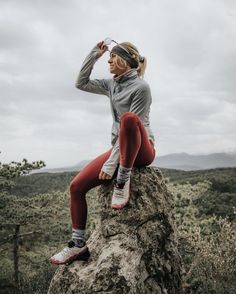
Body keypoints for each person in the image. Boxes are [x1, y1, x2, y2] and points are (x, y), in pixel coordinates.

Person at [50, 39, 156, 265]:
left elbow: (133, 126)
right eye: (107, 57)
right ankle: (78, 245)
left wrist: (112, 165)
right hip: (120, 148)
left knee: (129, 118)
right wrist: (93, 55)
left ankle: (123, 179)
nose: (108, 60)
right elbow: (81, 83)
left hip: (142, 150)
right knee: (76, 186)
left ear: (125, 60)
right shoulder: (111, 85)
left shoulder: (141, 87)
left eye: (112, 57)